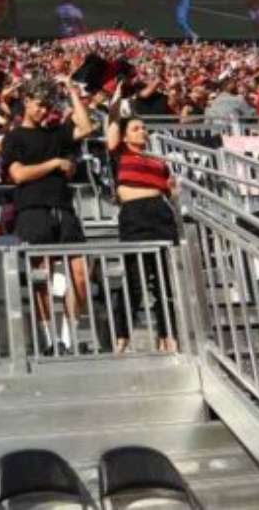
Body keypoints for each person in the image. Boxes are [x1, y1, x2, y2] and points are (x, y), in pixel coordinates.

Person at [1, 78, 95, 355]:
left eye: (47, 106)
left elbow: (86, 127)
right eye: (39, 105)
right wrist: (54, 163)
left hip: (63, 209)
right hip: (32, 210)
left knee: (80, 275)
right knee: (41, 277)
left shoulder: (55, 133)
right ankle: (48, 340)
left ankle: (68, 339)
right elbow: (18, 174)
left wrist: (72, 91)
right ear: (26, 102)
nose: (44, 111)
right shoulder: (14, 137)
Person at [105, 117, 178, 353]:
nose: (142, 131)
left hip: (161, 218)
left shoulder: (158, 161)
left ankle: (167, 335)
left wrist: (170, 191)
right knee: (134, 282)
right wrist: (119, 103)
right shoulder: (119, 155)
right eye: (135, 128)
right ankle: (121, 338)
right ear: (125, 136)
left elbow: (171, 193)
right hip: (135, 219)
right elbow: (112, 130)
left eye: (144, 128)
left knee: (165, 283)